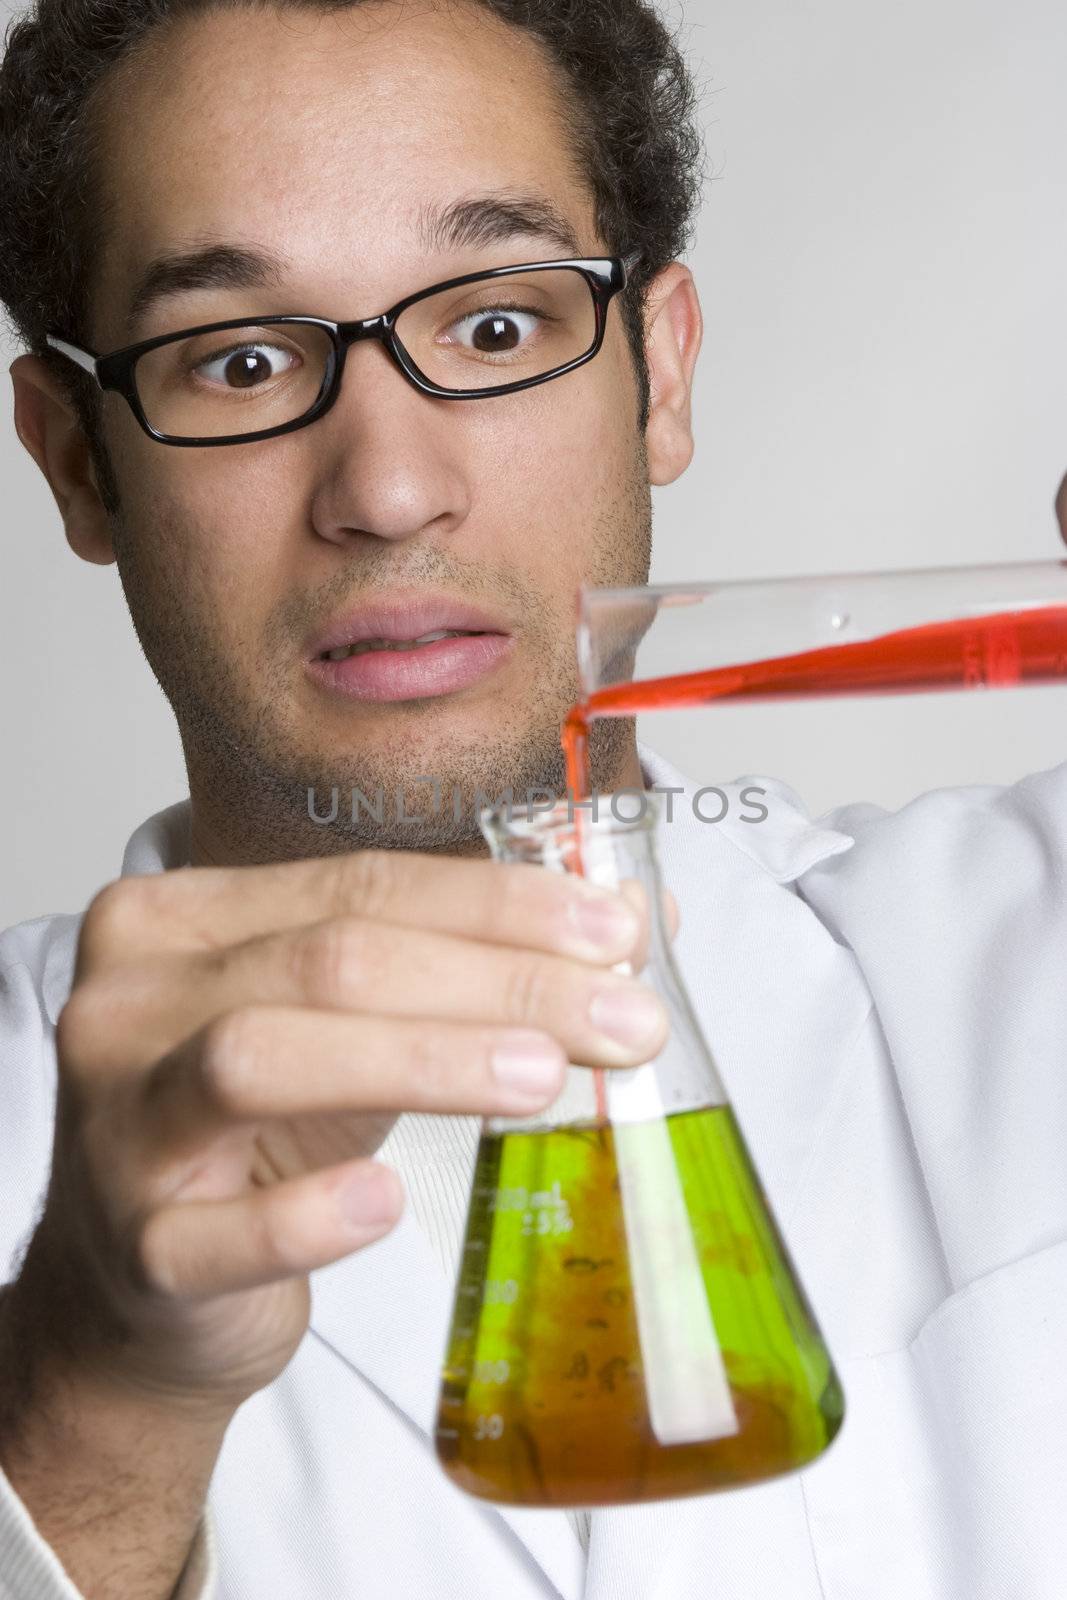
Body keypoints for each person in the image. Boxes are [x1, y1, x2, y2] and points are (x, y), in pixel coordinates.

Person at [0, 1, 1064, 1597]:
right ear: (79, 464)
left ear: (662, 374)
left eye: (495, 328)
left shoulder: (1028, 945)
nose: (388, 490)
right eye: (238, 359)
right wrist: (90, 1420)